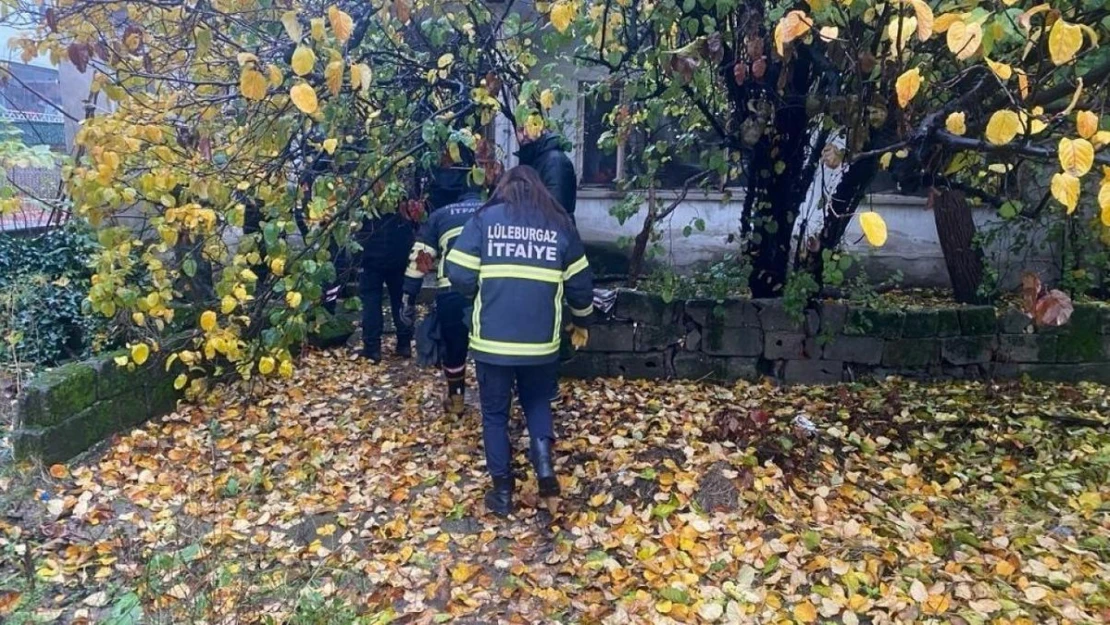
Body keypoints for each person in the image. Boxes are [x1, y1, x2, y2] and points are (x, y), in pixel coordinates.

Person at [445, 165, 594, 517]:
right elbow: (581, 285)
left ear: (503, 188)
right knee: (537, 403)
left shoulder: (485, 220)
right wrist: (582, 322)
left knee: (495, 414)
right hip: (541, 344)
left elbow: (458, 272)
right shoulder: (559, 223)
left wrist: (477, 292)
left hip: (492, 342)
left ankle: (502, 493)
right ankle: (544, 470)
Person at [400, 161, 483, 415]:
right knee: (490, 349)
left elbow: (420, 259)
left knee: (455, 348)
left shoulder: (441, 216)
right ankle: (495, 397)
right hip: (490, 292)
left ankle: (456, 399)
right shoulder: (495, 212)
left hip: (451, 292)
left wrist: (408, 296)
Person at [357, 207, 415, 362]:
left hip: (370, 252)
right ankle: (404, 343)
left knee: (371, 300)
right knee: (400, 298)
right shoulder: (402, 191)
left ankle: (372, 348)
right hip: (398, 250)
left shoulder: (363, 192)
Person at [515, 130, 577, 222]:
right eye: (520, 130)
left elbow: (555, 212)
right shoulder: (532, 158)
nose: (524, 134)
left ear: (542, 128)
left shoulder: (555, 162)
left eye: (531, 125)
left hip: (552, 232)